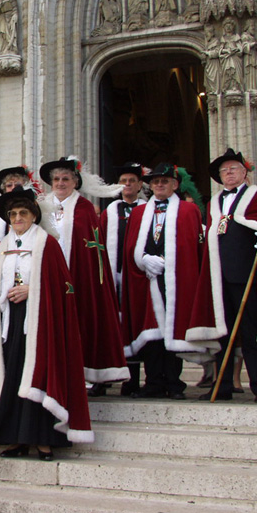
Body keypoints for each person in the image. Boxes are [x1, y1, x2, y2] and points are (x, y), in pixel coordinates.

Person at [0, 187, 93, 461]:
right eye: (13, 214)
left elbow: (64, 286)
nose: (18, 218)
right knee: (10, 377)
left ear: (34, 216)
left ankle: (43, 441)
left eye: (23, 213)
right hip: (8, 322)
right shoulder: (1, 247)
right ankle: (13, 439)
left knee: (36, 376)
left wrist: (33, 290)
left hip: (40, 322)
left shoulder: (47, 244)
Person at [187, 149, 257, 403]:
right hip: (218, 277)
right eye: (224, 171)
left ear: (244, 172)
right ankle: (221, 386)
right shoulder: (213, 203)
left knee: (250, 332)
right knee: (222, 334)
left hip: (247, 276)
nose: (229, 174)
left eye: (233, 169)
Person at [39, 157, 129, 387]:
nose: (60, 183)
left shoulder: (85, 208)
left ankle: (83, 374)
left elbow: (92, 247)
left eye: (65, 179)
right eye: (57, 179)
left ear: (75, 181)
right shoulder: (40, 205)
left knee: (79, 322)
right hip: (45, 276)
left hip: (77, 275)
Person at [121, 164, 205, 400]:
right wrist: (144, 259)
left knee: (173, 331)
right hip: (147, 280)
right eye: (156, 181)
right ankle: (153, 382)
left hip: (176, 281)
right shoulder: (138, 214)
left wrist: (170, 261)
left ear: (175, 185)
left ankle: (174, 383)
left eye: (165, 181)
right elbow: (130, 247)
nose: (159, 185)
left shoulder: (189, 211)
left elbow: (193, 246)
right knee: (152, 334)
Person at [98, 162, 146, 396]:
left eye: (131, 181)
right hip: (112, 276)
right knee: (109, 327)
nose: (127, 185)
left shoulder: (147, 209)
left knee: (133, 326)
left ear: (139, 185)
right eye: (123, 181)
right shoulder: (110, 211)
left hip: (138, 278)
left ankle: (132, 380)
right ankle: (103, 379)